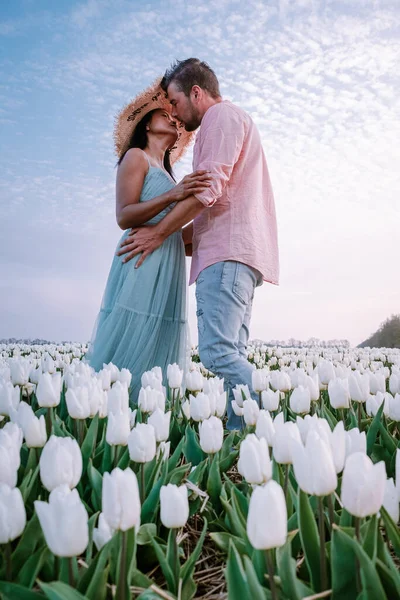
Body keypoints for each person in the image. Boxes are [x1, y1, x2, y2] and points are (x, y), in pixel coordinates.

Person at [118, 59, 279, 429]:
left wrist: (159, 233)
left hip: (226, 257)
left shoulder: (220, 118)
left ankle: (261, 425)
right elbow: (213, 206)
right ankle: (242, 435)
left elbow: (208, 190)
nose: (172, 112)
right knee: (231, 350)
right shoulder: (232, 121)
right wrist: (172, 238)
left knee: (217, 353)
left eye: (173, 101)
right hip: (237, 253)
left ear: (195, 92)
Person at [86, 78, 212, 402]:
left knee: (160, 338)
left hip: (167, 262)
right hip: (140, 259)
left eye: (174, 116)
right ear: (145, 124)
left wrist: (210, 225)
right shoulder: (136, 158)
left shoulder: (168, 172)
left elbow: (173, 229)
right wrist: (175, 193)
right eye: (163, 114)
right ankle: (111, 411)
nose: (172, 118)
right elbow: (124, 215)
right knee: (134, 333)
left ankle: (151, 416)